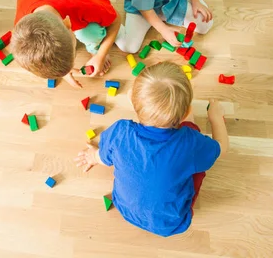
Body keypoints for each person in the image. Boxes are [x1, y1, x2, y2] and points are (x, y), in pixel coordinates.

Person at [75, 62, 229, 237]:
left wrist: (92, 157)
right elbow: (222, 149)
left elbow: (103, 158)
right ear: (186, 112)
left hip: (124, 208)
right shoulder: (189, 142)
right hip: (171, 223)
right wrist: (216, 118)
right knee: (195, 146)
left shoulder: (120, 132)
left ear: (133, 102)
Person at [11, 0, 121, 88]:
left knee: (89, 34)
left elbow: (116, 18)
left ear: (69, 24)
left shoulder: (84, 5)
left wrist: (100, 55)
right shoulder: (21, 30)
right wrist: (64, 72)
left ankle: (93, 49)